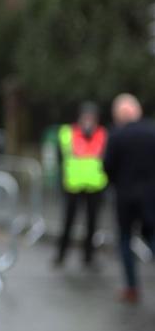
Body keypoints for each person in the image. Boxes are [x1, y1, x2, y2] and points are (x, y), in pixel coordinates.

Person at [103, 93, 155, 303]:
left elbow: (108, 166)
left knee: (125, 240)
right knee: (152, 237)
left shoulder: (116, 135)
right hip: (151, 196)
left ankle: (131, 287)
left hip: (125, 197)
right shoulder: (152, 131)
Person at [54, 102, 108, 268]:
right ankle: (61, 255)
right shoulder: (67, 133)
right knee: (68, 221)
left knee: (92, 223)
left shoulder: (103, 134)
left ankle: (88, 257)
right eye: (86, 117)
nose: (88, 121)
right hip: (73, 185)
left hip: (95, 186)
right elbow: (60, 158)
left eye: (91, 117)